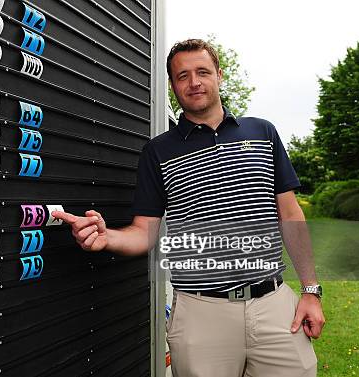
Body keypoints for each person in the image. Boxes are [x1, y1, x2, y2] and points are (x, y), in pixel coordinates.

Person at [52, 39, 325, 377]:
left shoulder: (262, 132)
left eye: (202, 72)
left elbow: (290, 215)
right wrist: (107, 237)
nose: (194, 82)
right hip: (200, 314)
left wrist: (311, 291)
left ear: (219, 76)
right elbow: (143, 232)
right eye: (183, 76)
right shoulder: (158, 151)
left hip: (274, 307)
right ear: (172, 86)